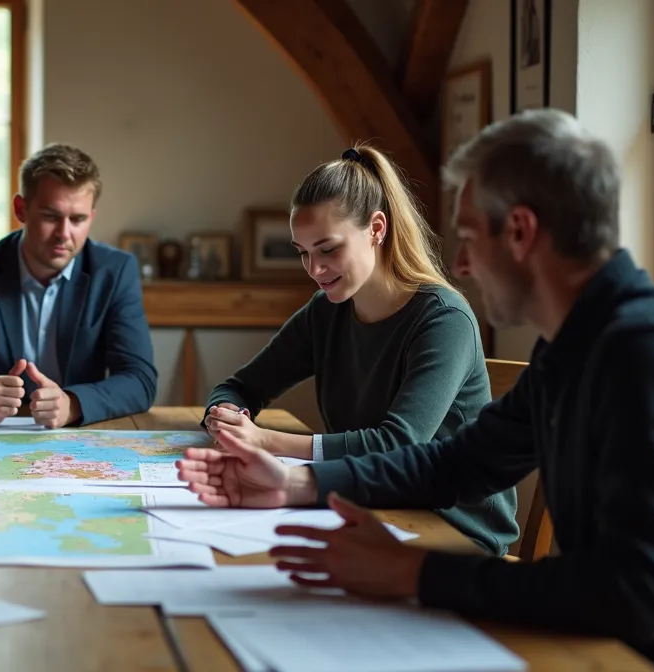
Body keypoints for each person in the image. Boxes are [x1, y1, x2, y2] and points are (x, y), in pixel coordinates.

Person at [176, 109, 654, 671]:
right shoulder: (573, 344)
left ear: (522, 232)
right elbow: (458, 464)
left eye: (472, 236)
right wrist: (295, 484)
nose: (460, 262)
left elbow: (632, 594)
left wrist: (414, 572)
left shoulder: (645, 354)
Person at [201, 144, 516, 556]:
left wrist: (266, 441)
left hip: (453, 530)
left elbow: (399, 444)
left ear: (376, 229)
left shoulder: (444, 320)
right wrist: (228, 417)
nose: (314, 270)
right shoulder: (327, 312)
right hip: (370, 506)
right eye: (303, 253)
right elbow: (241, 385)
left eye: (328, 249)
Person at [0, 143, 158, 427]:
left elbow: (139, 380)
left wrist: (73, 403)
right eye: (51, 216)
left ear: (91, 217)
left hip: (82, 436)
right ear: (21, 209)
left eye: (78, 219)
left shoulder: (115, 272)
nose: (64, 234)